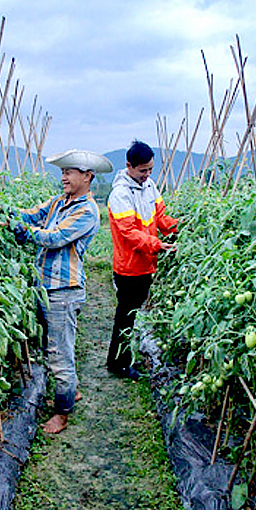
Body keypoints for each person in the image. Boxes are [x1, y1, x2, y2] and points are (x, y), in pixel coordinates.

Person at [0, 149, 112, 433]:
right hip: (45, 286)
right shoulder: (59, 202)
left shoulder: (87, 211)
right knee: (57, 346)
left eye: (69, 172)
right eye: (62, 172)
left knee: (60, 353)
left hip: (63, 290)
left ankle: (62, 413)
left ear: (87, 177)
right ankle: (71, 391)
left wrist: (22, 230)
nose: (64, 177)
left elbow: (55, 238)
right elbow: (33, 215)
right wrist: (4, 211)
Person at [107, 140, 179, 379]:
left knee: (131, 315)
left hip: (146, 263)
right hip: (129, 267)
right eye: (142, 170)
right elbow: (128, 233)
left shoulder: (149, 186)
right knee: (126, 317)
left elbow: (160, 217)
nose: (147, 174)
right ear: (129, 166)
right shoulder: (120, 194)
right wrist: (157, 244)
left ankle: (120, 360)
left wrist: (178, 227)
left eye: (150, 169)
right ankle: (119, 365)